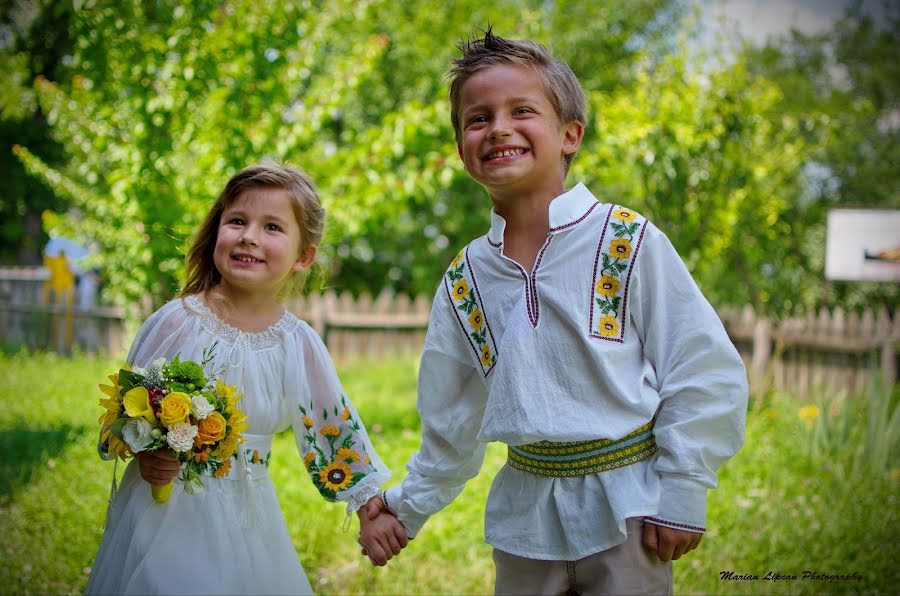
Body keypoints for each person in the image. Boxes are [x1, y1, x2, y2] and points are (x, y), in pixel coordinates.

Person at [364, 29, 748, 595]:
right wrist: (407, 509)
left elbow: (699, 365)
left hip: (631, 515)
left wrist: (684, 487)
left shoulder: (627, 240)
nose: (498, 128)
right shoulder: (466, 280)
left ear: (570, 134)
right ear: (461, 150)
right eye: (478, 118)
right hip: (524, 526)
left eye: (522, 110)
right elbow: (451, 421)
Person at [86, 163, 407, 596]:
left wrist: (370, 507)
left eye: (272, 227)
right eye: (237, 221)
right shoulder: (176, 322)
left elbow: (334, 431)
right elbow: (118, 419)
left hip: (248, 517)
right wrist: (142, 452)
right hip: (162, 512)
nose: (249, 236)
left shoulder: (297, 343)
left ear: (303, 256)